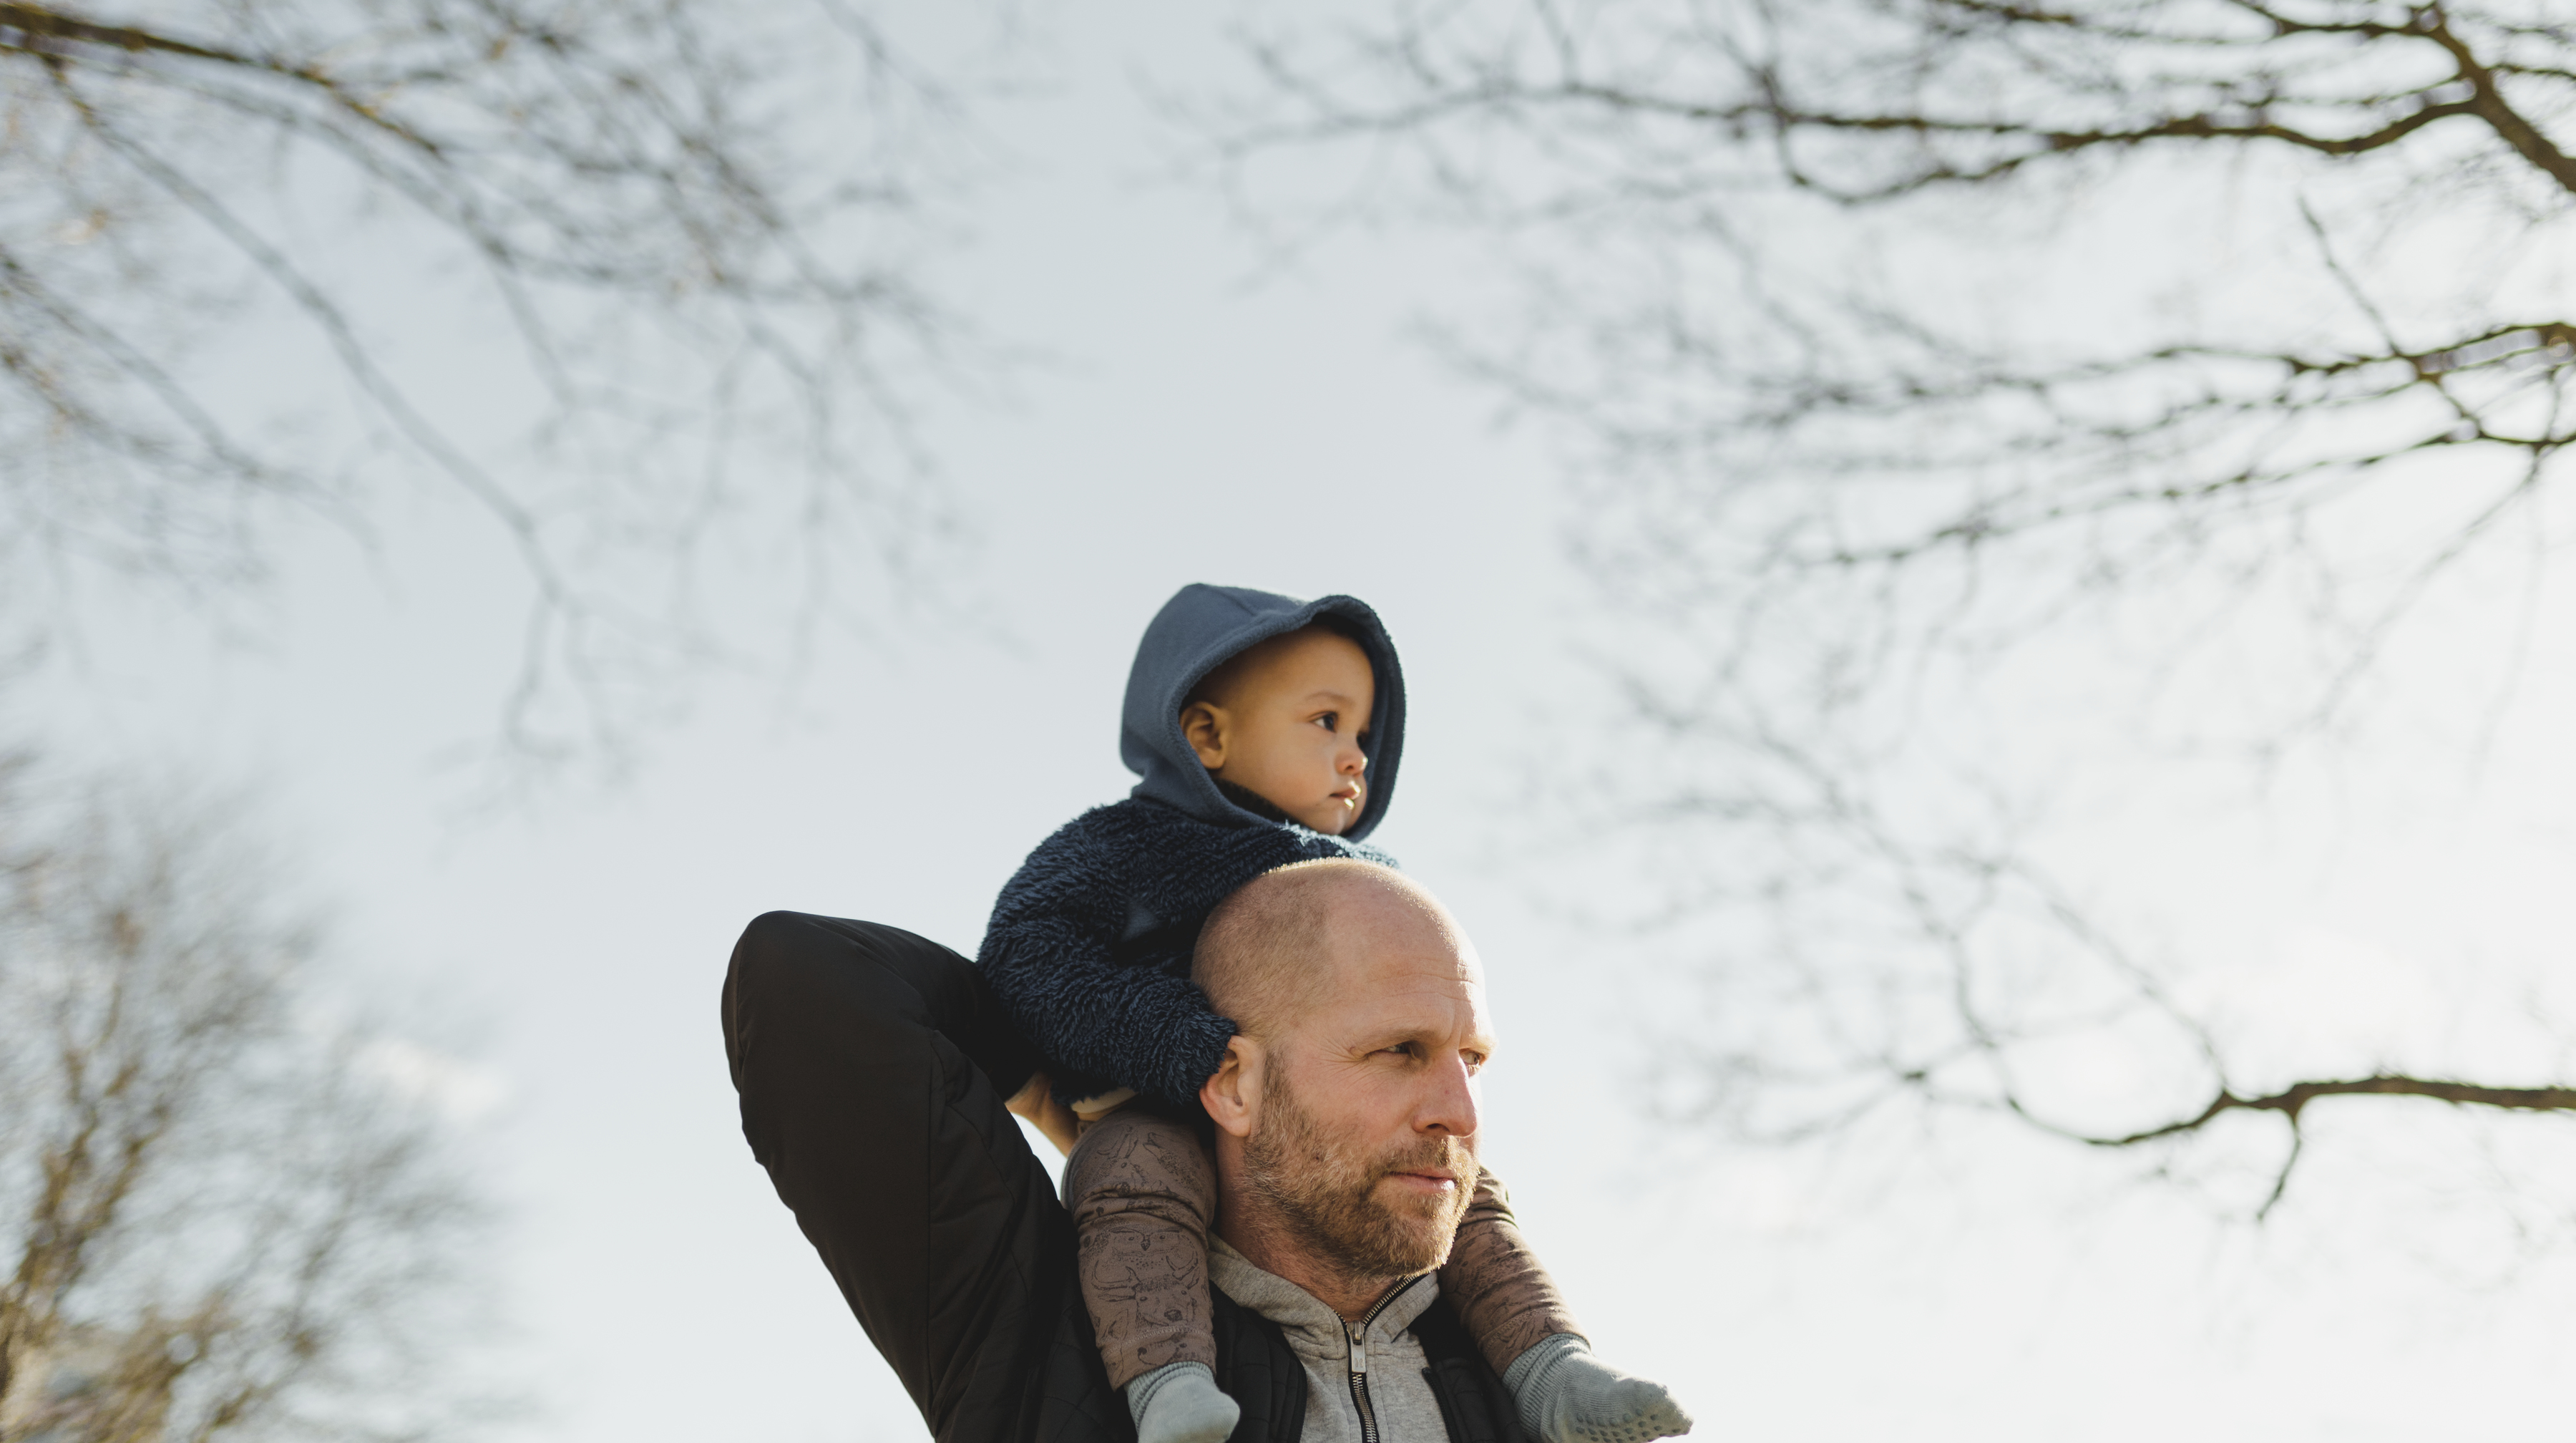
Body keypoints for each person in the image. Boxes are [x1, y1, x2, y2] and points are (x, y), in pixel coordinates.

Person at [975, 584, 1682, 1443]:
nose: (1355, 756)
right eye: (1325, 722)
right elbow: (1027, 949)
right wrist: (1174, 1040)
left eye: (1364, 734)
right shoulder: (1130, 845)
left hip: (1314, 1119)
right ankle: (1167, 1381)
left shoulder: (1366, 873)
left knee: (1475, 1202)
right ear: (1207, 735)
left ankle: (1551, 1369)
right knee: (1132, 1181)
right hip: (1160, 1095)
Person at [719, 860, 1696, 1443]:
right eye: (1400, 1052)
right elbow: (808, 979)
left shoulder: (1533, 1398)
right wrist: (1086, 1060)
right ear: (1231, 1083)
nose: (1459, 1111)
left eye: (1472, 1059)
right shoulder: (1044, 1341)